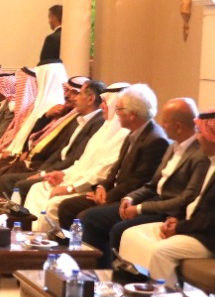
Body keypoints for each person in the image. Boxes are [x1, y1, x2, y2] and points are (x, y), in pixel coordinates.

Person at [115, 106, 215, 282]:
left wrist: (181, 227)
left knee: (162, 252)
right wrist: (176, 219)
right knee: (130, 234)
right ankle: (134, 289)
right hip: (199, 229)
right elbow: (195, 200)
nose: (197, 138)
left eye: (200, 132)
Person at [78, 98, 205, 268]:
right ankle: (98, 273)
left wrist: (139, 209)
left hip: (168, 211)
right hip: (152, 202)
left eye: (165, 121)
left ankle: (121, 277)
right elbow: (152, 185)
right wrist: (130, 199)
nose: (162, 125)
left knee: (119, 230)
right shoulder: (173, 146)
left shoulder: (199, 154)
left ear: (178, 127)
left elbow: (184, 199)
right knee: (91, 218)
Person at [48, 85, 171, 234]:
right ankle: (71, 246)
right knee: (67, 207)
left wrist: (107, 197)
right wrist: (102, 187)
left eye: (119, 109)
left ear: (132, 114)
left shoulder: (155, 141)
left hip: (129, 199)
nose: (116, 113)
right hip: (114, 193)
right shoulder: (133, 132)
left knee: (85, 217)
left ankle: (86, 249)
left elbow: (136, 183)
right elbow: (115, 169)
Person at [20, 82, 132, 218]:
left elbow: (102, 174)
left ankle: (47, 232)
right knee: (36, 189)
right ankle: (30, 230)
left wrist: (71, 188)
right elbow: (82, 163)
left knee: (54, 203)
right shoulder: (104, 129)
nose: (101, 106)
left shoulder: (124, 136)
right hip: (74, 180)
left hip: (87, 187)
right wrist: (63, 174)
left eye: (105, 102)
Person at [0, 78, 104, 197]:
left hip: (61, 170)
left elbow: (73, 156)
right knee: (2, 176)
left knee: (11, 181)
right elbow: (58, 150)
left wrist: (44, 171)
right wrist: (46, 116)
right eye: (67, 91)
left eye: (78, 94)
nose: (71, 97)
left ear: (91, 99)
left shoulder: (95, 122)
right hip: (47, 165)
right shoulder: (74, 116)